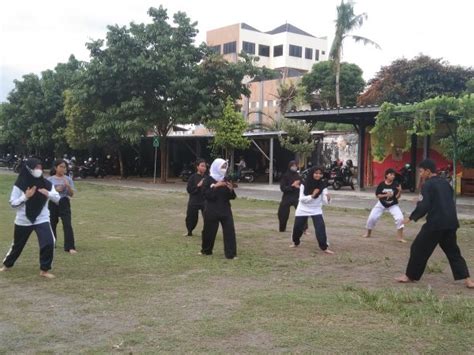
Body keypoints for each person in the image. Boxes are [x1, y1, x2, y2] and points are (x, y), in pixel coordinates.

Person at [396, 159, 474, 288]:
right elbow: (442, 200)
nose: (420, 174)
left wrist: (410, 218)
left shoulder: (428, 185)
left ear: (428, 171)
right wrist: (421, 201)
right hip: (450, 223)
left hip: (436, 224)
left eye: (421, 172)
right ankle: (468, 280)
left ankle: (409, 276)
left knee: (417, 248)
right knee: (453, 252)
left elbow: (425, 205)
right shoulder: (445, 183)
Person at [0, 158, 60, 278]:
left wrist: (48, 193)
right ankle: (7, 264)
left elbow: (57, 198)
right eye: (36, 167)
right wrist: (25, 197)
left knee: (49, 242)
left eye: (40, 167)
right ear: (29, 169)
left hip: (42, 219)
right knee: (17, 245)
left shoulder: (47, 184)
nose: (39, 170)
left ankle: (44, 269)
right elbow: (13, 203)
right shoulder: (19, 185)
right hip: (23, 219)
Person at [289, 166, 334, 254]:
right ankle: (296, 242)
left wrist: (328, 198)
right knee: (298, 227)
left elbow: (324, 200)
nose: (318, 175)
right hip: (303, 208)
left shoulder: (322, 185)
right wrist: (312, 196)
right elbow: (301, 199)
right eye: (316, 173)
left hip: (316, 209)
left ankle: (324, 247)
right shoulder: (304, 184)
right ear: (312, 173)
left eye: (320, 174)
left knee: (320, 228)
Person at [200, 158, 237, 259]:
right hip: (212, 209)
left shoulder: (225, 179)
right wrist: (216, 186)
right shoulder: (208, 179)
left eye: (225, 167)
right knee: (209, 231)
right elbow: (206, 195)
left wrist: (231, 189)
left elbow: (232, 197)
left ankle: (231, 254)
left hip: (225, 209)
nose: (224, 169)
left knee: (230, 231)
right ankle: (206, 250)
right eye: (222, 167)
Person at [363, 168, 406, 243]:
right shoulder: (382, 184)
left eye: (394, 175)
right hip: (381, 203)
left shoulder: (396, 184)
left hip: (392, 204)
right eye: (391, 174)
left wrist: (399, 191)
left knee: (400, 218)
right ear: (386, 175)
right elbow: (377, 195)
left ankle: (400, 237)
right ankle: (368, 233)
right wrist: (386, 194)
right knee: (372, 217)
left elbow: (397, 197)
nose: (393, 176)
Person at [48, 159, 77, 254]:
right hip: (53, 203)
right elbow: (46, 193)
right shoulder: (50, 180)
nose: (63, 169)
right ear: (55, 168)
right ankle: (51, 243)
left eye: (64, 167)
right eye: (61, 166)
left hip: (64, 202)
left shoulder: (68, 179)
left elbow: (72, 194)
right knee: (52, 223)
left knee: (67, 224)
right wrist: (55, 190)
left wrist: (68, 186)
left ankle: (70, 247)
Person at [184, 159, 207, 237]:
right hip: (194, 200)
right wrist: (198, 185)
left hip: (204, 201)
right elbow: (189, 189)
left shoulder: (207, 178)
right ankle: (189, 231)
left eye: (205, 166)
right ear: (197, 167)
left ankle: (207, 232)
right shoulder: (192, 177)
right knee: (191, 217)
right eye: (202, 166)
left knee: (208, 217)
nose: (204, 168)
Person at [278, 160, 302, 232]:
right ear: (289, 166)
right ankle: (282, 228)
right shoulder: (285, 176)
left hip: (296, 197)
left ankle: (303, 229)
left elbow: (303, 186)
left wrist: (299, 186)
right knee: (282, 213)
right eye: (293, 166)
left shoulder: (298, 176)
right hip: (287, 197)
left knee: (302, 212)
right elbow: (283, 188)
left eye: (295, 166)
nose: (294, 167)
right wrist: (292, 186)